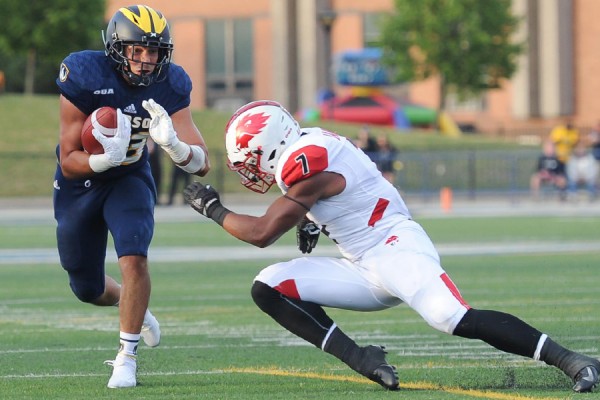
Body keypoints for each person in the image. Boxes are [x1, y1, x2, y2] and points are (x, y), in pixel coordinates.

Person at [183, 100, 600, 393]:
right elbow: (326, 198)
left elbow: (261, 233)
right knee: (267, 286)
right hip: (362, 265)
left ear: (272, 145)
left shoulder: (306, 160)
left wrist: (213, 209)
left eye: (251, 159)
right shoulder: (306, 145)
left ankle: (571, 359)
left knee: (448, 316)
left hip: (395, 245)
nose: (250, 170)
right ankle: (364, 358)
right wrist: (310, 219)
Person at [53, 5, 210, 388]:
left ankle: (127, 356)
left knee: (134, 257)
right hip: (82, 182)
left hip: (130, 177)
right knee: (86, 287)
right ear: (115, 49)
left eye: (153, 51)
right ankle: (136, 307)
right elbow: (69, 158)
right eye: (136, 50)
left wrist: (174, 146)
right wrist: (102, 159)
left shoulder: (171, 84)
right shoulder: (84, 73)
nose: (145, 60)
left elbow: (201, 163)